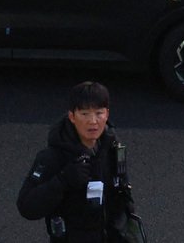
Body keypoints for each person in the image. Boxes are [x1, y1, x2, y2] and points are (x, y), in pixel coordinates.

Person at [17, 81, 138, 243]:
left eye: (99, 113)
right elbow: (27, 207)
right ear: (72, 116)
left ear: (107, 114)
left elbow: (123, 193)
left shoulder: (113, 149)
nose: (93, 121)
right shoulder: (53, 157)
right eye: (85, 114)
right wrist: (62, 181)